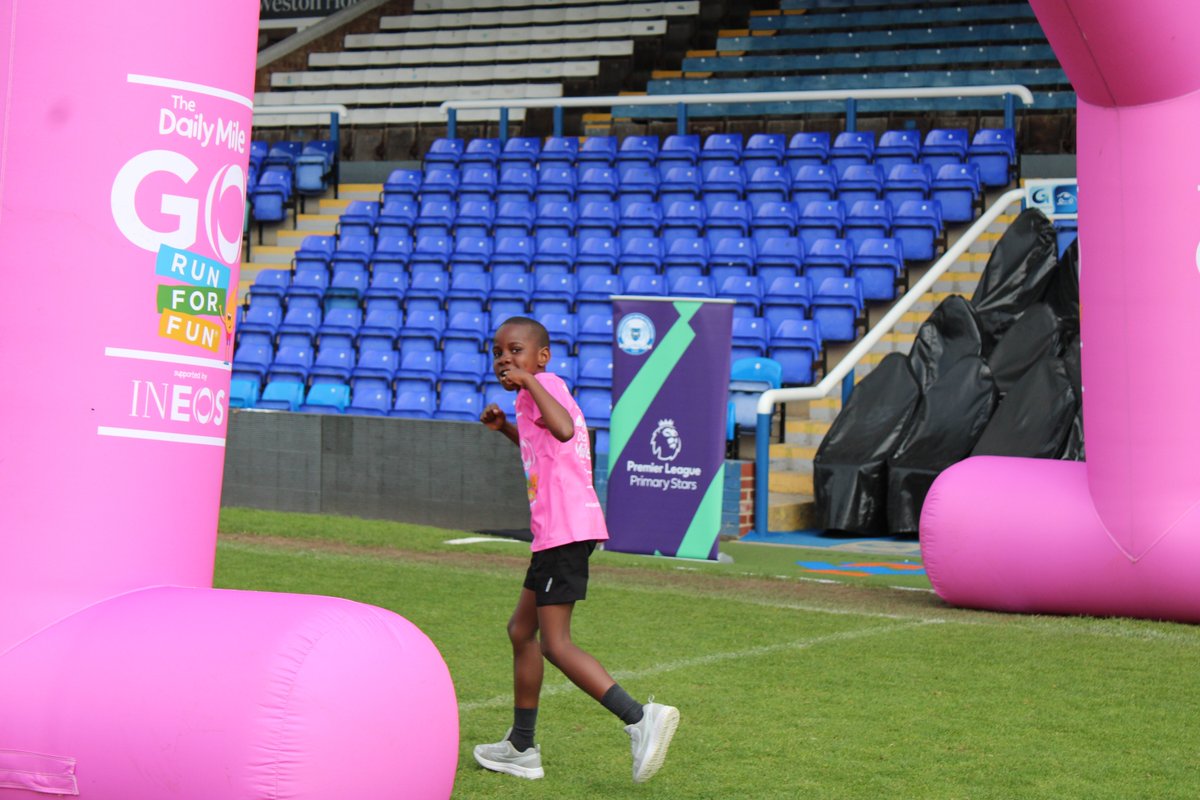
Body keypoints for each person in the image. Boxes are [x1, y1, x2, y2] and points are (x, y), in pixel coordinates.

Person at [473, 316, 679, 783]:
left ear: (542, 356)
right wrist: (506, 426)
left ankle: (640, 718)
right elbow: (547, 445)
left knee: (555, 644)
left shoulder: (546, 384)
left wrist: (529, 380)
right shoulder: (531, 398)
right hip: (556, 533)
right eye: (499, 352)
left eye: (517, 350)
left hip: (564, 531)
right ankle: (521, 746)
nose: (506, 358)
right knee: (520, 631)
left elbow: (564, 429)